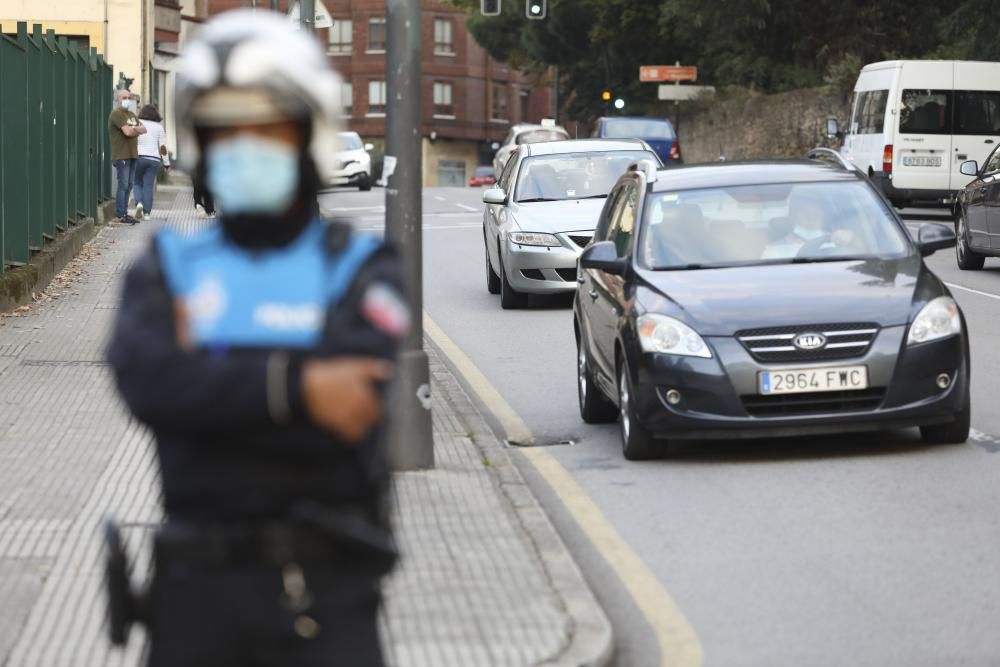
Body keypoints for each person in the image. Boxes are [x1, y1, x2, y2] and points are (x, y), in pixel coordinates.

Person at [106, 10, 406, 666]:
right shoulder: (167, 267)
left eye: (264, 124)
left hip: (324, 603)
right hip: (193, 605)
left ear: (305, 132)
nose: (245, 144)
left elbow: (355, 401)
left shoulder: (360, 269)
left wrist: (210, 384)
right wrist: (298, 384)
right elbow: (147, 380)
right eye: (225, 128)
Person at [108, 89, 147, 224]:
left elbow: (144, 129)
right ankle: (120, 213)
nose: (126, 99)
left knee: (129, 185)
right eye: (124, 97)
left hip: (132, 155)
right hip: (121, 155)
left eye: (128, 97)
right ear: (117, 99)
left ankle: (125, 212)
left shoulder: (131, 114)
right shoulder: (116, 114)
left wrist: (133, 129)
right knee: (123, 185)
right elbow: (127, 132)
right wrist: (136, 130)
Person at [133, 104, 170, 221]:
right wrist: (166, 163)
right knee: (148, 186)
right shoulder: (159, 127)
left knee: (137, 182)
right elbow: (162, 147)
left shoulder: (138, 122)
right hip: (154, 159)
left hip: (139, 156)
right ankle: (147, 213)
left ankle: (139, 203)